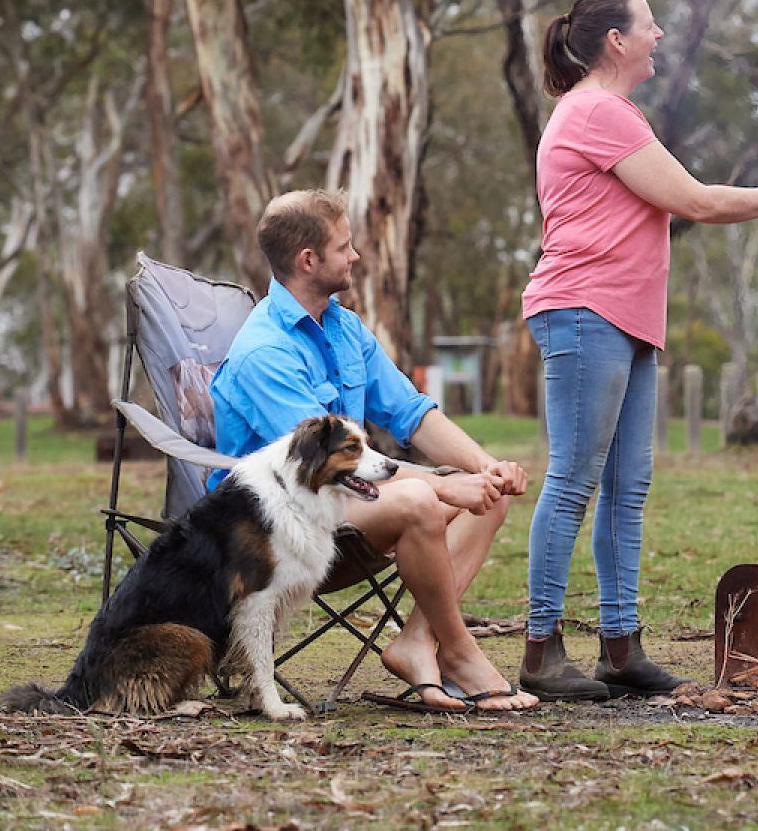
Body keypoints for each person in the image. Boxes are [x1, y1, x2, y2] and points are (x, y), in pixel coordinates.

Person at [519, 0, 758, 701]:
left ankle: (622, 648)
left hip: (625, 319)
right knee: (574, 479)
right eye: (650, 24)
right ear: (616, 42)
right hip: (583, 310)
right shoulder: (596, 110)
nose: (660, 34)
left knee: (628, 487)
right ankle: (539, 650)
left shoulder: (612, 111)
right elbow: (693, 200)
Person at [210, 190, 540, 713]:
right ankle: (459, 654)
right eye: (345, 247)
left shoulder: (341, 325)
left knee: (488, 496)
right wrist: (438, 483)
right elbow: (323, 472)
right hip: (281, 530)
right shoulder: (264, 353)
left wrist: (485, 467)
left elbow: (409, 412)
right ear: (308, 260)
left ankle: (416, 642)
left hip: (344, 509)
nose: (356, 256)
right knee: (419, 502)